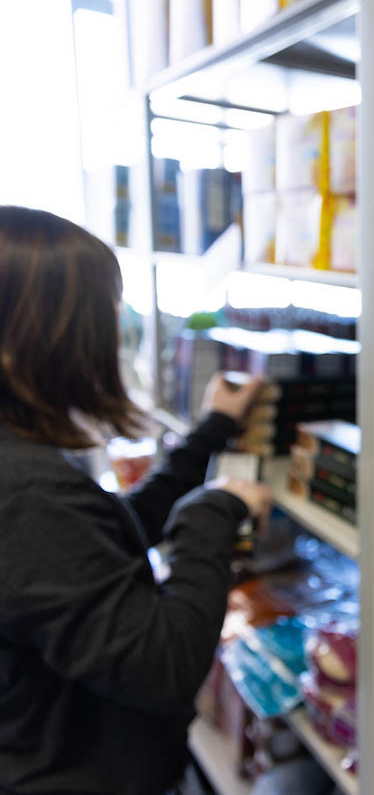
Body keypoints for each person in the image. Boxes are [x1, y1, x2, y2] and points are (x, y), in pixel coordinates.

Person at [0, 205, 273, 794]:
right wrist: (215, 510)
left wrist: (211, 430)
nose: (113, 330)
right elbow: (166, 663)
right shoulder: (25, 495)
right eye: (101, 313)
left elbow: (111, 537)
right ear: (45, 336)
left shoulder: (21, 466)